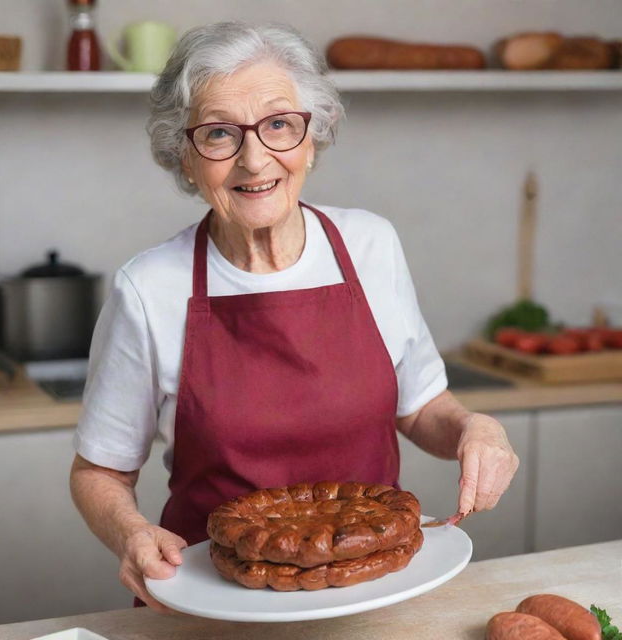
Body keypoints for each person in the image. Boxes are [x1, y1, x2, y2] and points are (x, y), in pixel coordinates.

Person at [70, 21, 519, 612]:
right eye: (219, 134)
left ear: (312, 139)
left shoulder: (370, 244)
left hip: (373, 588)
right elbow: (97, 472)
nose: (255, 160)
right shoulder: (149, 288)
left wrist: (473, 428)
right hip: (217, 603)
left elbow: (422, 408)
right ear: (184, 157)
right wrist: (131, 535)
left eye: (279, 125)